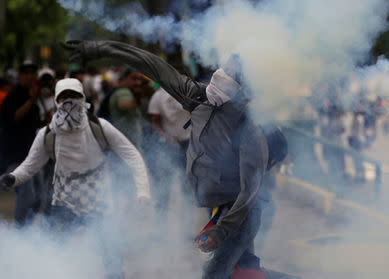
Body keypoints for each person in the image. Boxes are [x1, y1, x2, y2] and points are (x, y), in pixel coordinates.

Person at [62, 40, 287, 279]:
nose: (219, 73)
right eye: (223, 67)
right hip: (220, 207)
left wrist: (220, 232)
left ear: (241, 90)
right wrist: (101, 49)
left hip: (242, 215)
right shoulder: (198, 98)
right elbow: (153, 66)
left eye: (229, 72)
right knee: (243, 271)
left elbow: (249, 195)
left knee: (215, 273)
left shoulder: (249, 130)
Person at [0, 78, 151, 279]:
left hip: (98, 196)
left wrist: (143, 190)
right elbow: (30, 165)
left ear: (83, 98)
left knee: (111, 255)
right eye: (64, 97)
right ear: (56, 100)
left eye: (74, 96)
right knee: (56, 252)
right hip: (64, 197)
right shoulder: (47, 134)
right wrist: (13, 178)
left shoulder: (100, 127)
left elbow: (132, 155)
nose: (69, 101)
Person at [0, 61, 42, 227]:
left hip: (32, 156)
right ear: (19, 75)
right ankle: (20, 233)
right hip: (15, 156)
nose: (30, 76)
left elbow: (35, 125)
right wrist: (31, 100)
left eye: (33, 72)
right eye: (26, 73)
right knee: (27, 194)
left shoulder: (33, 96)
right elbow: (15, 118)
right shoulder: (14, 95)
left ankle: (29, 231)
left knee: (39, 196)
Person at [147, 87, 192, 235]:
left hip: (186, 144)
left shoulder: (186, 93)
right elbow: (154, 121)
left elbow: (154, 120)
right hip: (170, 146)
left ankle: (185, 227)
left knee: (186, 186)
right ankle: (161, 228)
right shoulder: (160, 95)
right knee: (165, 186)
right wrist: (167, 137)